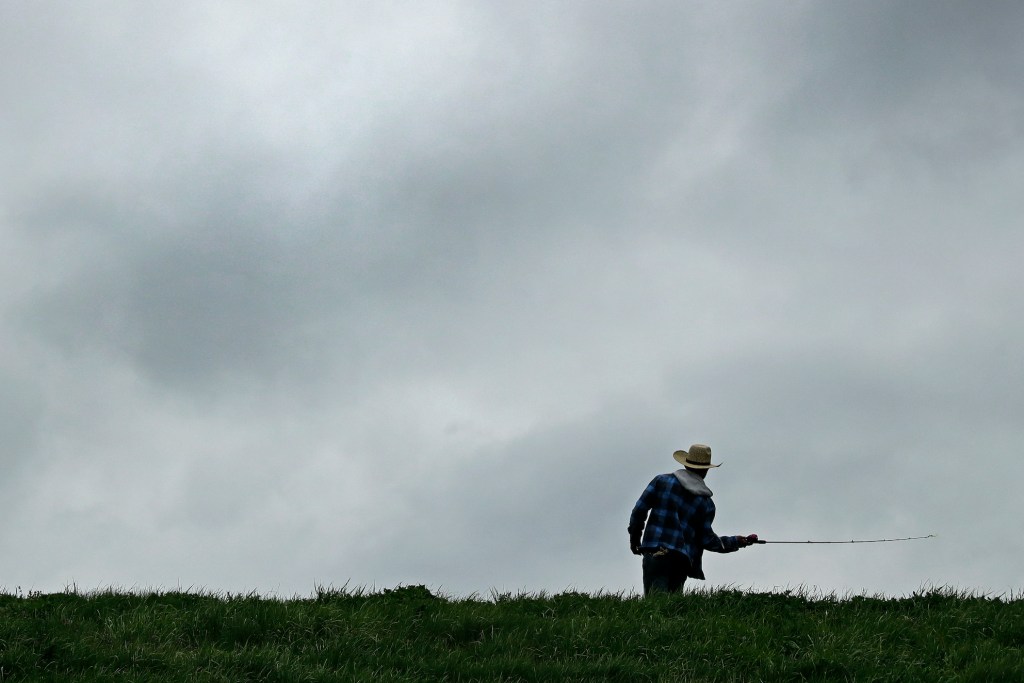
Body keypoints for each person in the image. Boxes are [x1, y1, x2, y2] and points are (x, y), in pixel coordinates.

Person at [628, 444, 757, 595]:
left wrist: (635, 539)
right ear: (706, 470)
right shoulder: (706, 504)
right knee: (673, 606)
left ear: (686, 464)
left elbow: (639, 510)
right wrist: (736, 541)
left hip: (656, 553)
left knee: (656, 603)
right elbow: (707, 540)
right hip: (681, 560)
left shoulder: (661, 481)